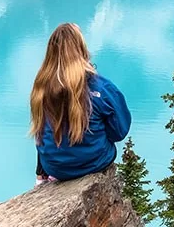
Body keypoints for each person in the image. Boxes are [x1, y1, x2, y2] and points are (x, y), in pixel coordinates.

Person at [30, 22, 131, 183]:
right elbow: (119, 132)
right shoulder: (100, 87)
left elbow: (40, 133)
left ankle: (42, 177)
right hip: (94, 162)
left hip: (54, 168)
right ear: (81, 49)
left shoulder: (41, 87)